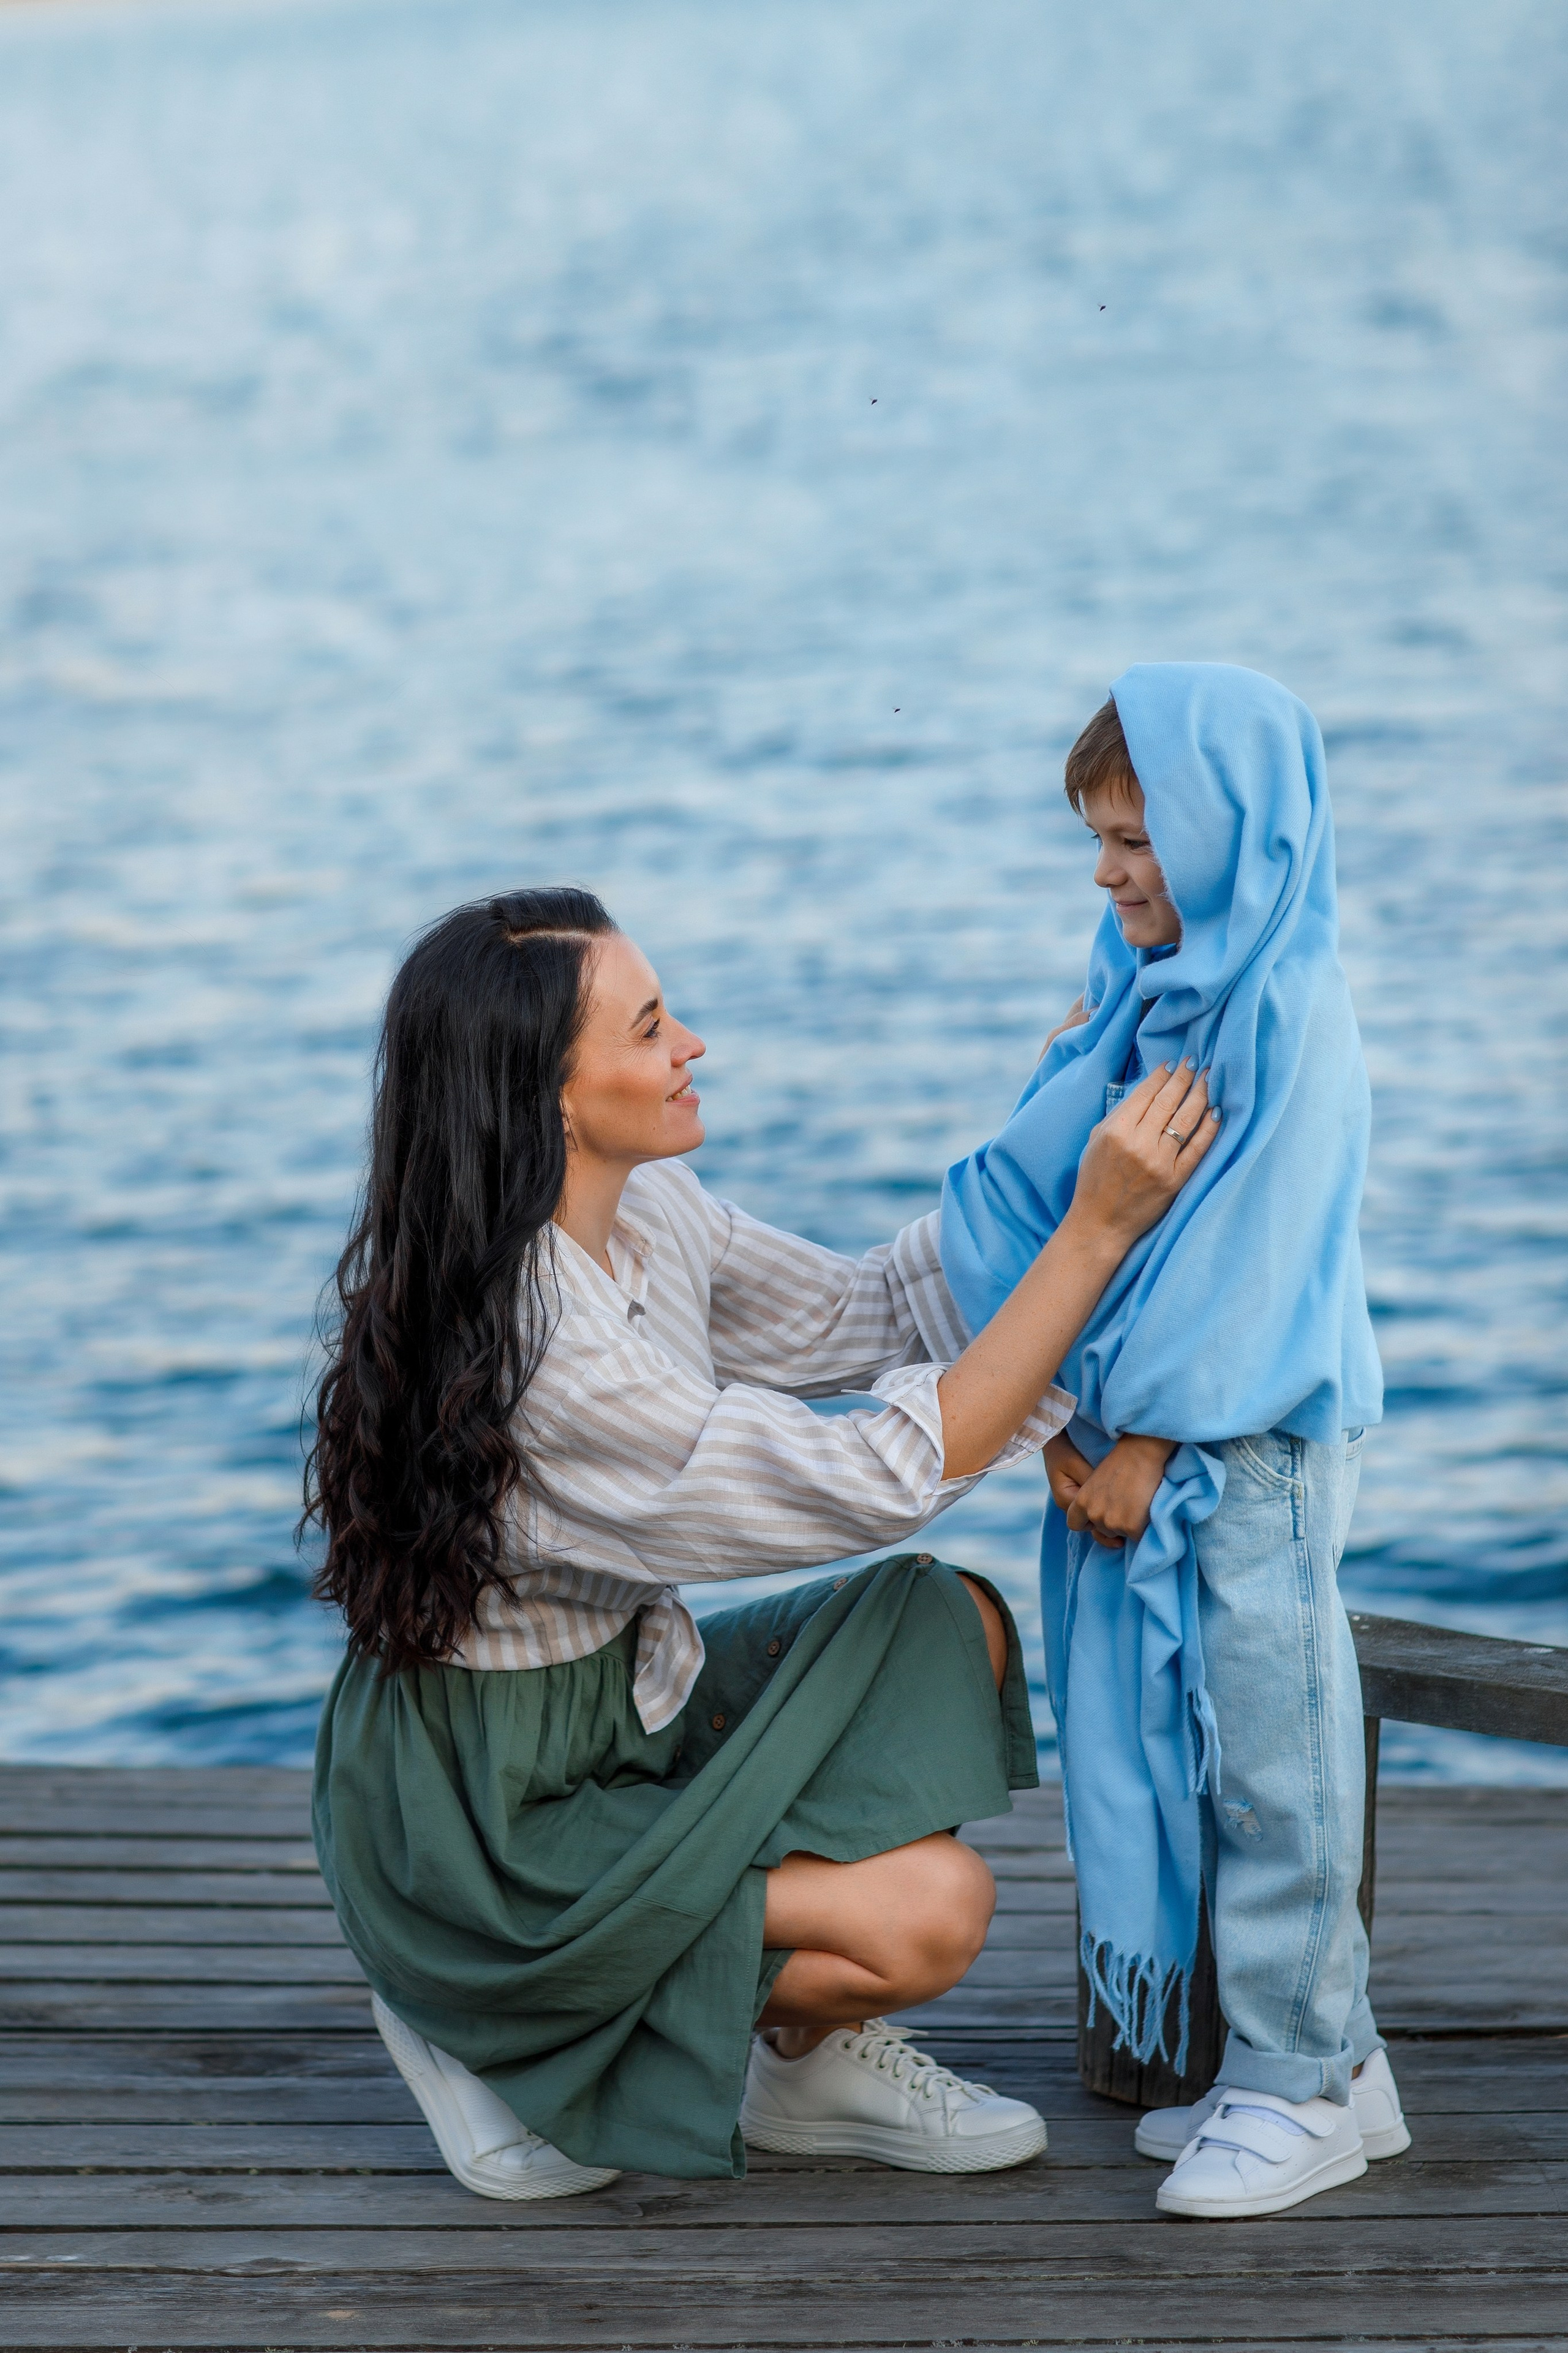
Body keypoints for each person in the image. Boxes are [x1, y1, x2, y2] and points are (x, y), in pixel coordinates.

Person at [305, 887, 1216, 2199]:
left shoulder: (646, 1209)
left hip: (626, 1697)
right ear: (550, 1098)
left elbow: (872, 1307)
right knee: (934, 1910)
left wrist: (1051, 1125)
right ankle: (482, 2009)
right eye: (649, 1028)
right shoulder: (542, 1350)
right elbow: (874, 1473)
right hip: (482, 1818)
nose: (692, 1045)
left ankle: (802, 2061)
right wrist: (1097, 1227)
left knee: (944, 1630)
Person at [941, 662, 1408, 2221]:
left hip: (1249, 1437)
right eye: (1095, 837)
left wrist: (1138, 1434)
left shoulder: (1284, 1009)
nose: (1105, 871)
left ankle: (1296, 2079)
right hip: (1151, 1430)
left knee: (1276, 1754)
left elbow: (1250, 1253)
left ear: (1229, 834)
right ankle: (1335, 2056)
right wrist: (1054, 1410)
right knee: (1212, 1756)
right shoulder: (1151, 984)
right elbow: (1062, 1180)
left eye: (1135, 839)